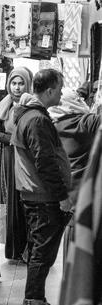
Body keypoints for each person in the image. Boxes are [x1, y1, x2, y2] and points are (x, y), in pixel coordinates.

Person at [11, 69, 72, 305]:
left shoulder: (32, 115)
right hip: (42, 195)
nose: (61, 92)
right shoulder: (36, 119)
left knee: (42, 251)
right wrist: (62, 197)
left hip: (38, 193)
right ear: (48, 91)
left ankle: (37, 301)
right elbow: (45, 161)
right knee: (41, 252)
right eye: (59, 88)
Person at [48, 87, 101, 262]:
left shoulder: (52, 124)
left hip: (65, 188)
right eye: (78, 100)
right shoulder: (84, 122)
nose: (82, 102)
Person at [0, 67, 33, 261]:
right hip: (9, 159)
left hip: (25, 159)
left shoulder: (32, 106)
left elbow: (29, 137)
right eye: (14, 83)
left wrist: (6, 138)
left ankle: (28, 249)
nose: (17, 88)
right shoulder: (5, 105)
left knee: (24, 201)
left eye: (21, 83)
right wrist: (7, 138)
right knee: (10, 201)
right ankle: (14, 249)